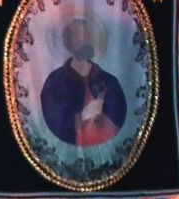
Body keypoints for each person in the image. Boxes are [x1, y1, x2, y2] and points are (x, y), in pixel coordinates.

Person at [38, 16, 126, 148]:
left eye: (87, 36)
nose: (84, 41)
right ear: (69, 42)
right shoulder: (55, 82)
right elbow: (53, 118)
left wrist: (103, 116)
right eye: (78, 36)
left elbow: (119, 115)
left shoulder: (109, 81)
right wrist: (81, 117)